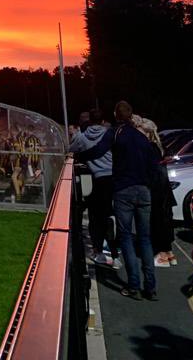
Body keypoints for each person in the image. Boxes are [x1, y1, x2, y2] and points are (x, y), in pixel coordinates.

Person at [78, 101, 158, 300]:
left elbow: (97, 151)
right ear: (131, 116)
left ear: (115, 114)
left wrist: (79, 155)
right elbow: (153, 165)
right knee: (145, 239)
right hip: (144, 190)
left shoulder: (115, 133)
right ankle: (151, 287)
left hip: (124, 190)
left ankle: (133, 285)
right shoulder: (142, 138)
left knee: (126, 237)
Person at [71, 109, 119, 267]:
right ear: (103, 120)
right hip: (113, 178)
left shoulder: (81, 136)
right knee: (111, 214)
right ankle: (115, 252)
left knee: (95, 217)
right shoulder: (110, 133)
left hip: (95, 179)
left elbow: (71, 150)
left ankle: (98, 251)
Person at [133, 115, 176, 267]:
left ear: (148, 133)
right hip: (164, 186)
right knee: (166, 219)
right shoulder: (160, 145)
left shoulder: (149, 147)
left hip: (156, 187)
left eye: (141, 132)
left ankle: (162, 256)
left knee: (157, 220)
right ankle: (169, 254)